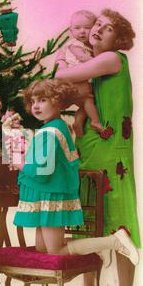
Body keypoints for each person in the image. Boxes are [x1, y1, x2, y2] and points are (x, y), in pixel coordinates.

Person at [55, 8, 141, 286]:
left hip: (113, 152)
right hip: (90, 147)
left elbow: (63, 77)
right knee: (89, 225)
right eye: (98, 26)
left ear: (117, 40)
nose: (97, 31)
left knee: (120, 224)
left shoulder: (114, 59)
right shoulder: (92, 65)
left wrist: (65, 63)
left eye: (105, 29)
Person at [12, 79, 139, 267]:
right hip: (49, 195)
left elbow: (41, 172)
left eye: (43, 100)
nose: (36, 106)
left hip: (51, 196)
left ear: (58, 102)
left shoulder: (51, 132)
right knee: (43, 248)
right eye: (33, 101)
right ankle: (91, 246)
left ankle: (115, 241)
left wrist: (20, 164)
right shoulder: (55, 127)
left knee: (55, 251)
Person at [56, 10, 103, 137]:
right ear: (71, 31)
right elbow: (82, 58)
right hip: (77, 81)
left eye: (87, 28)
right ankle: (95, 121)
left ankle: (78, 122)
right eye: (77, 28)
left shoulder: (87, 45)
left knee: (84, 104)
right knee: (88, 100)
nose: (82, 31)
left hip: (76, 81)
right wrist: (99, 62)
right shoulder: (74, 44)